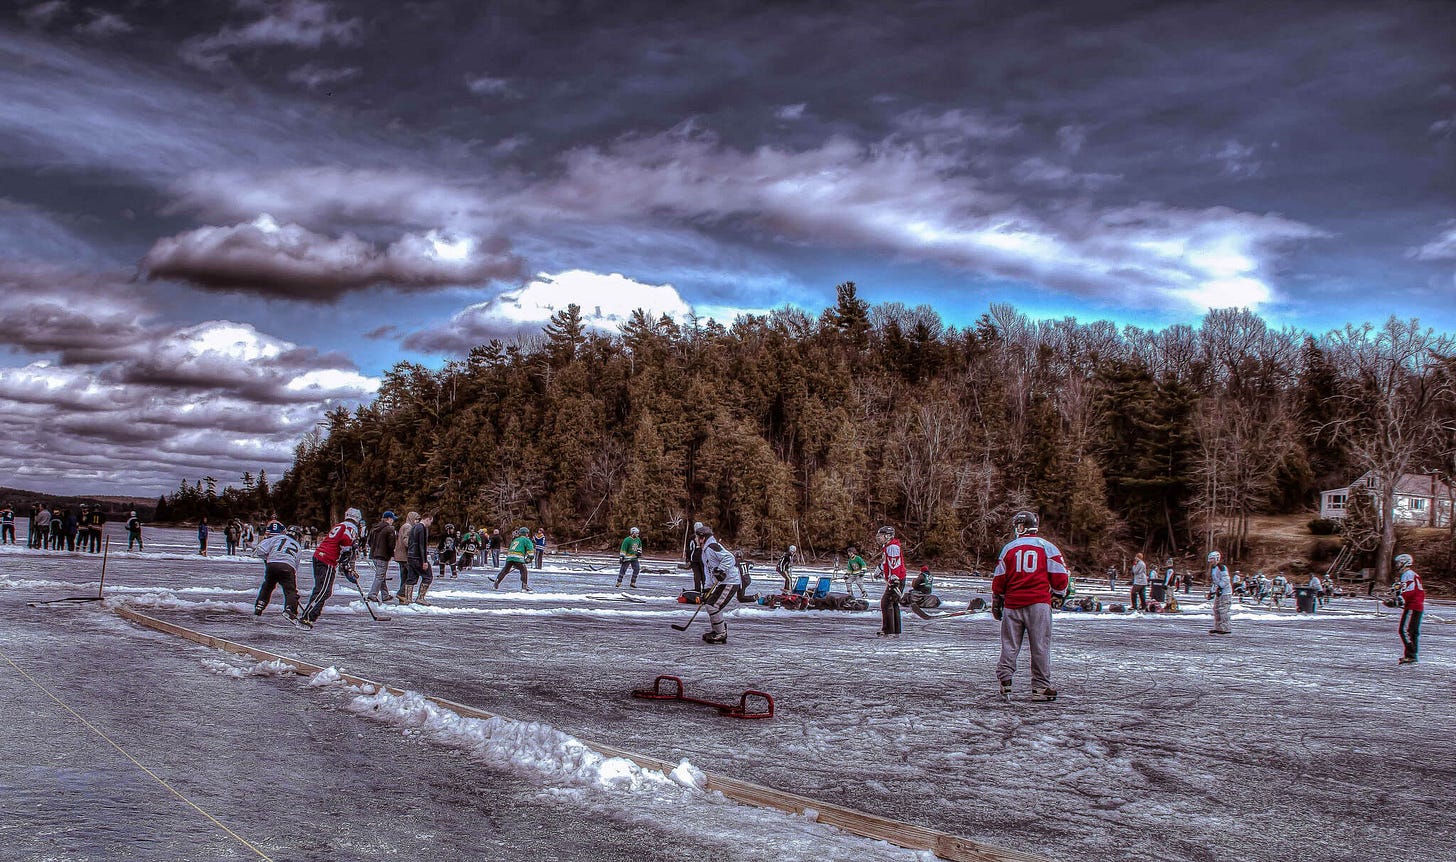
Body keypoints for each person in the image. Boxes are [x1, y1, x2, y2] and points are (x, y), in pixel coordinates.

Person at [991, 511, 1069, 701]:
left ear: (1021, 527)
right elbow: (1060, 577)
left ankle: (1005, 681)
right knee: (1040, 645)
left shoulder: (1009, 548)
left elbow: (999, 579)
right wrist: (1059, 594)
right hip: (1038, 604)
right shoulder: (1048, 547)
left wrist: (998, 599)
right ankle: (1041, 688)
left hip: (1013, 604)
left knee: (1010, 644)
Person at [300, 508, 363, 626]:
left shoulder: (340, 525)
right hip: (327, 559)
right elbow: (346, 543)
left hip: (320, 556)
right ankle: (308, 615)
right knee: (323, 590)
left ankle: (311, 615)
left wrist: (346, 565)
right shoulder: (351, 528)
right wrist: (349, 555)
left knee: (324, 590)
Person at [697, 523, 740, 644]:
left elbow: (730, 558)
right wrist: (707, 589)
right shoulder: (705, 551)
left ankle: (720, 633)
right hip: (723, 582)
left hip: (730, 581)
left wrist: (720, 569)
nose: (695, 539)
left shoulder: (712, 547)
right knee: (711, 604)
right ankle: (717, 630)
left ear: (702, 538)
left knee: (713, 606)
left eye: (697, 537)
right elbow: (709, 572)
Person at [252, 521, 302, 619]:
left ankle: (260, 604)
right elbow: (296, 564)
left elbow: (261, 549)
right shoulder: (298, 546)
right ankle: (290, 609)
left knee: (268, 586)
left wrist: (267, 558)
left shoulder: (277, 538)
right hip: (288, 566)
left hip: (272, 564)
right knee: (290, 590)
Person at [876, 526, 906, 637]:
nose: (879, 537)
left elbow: (895, 564)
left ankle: (888, 630)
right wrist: (880, 569)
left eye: (881, 535)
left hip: (896, 579)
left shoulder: (892, 547)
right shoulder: (888, 546)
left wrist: (894, 578)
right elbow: (886, 562)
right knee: (893, 603)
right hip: (896, 578)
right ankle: (895, 631)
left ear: (888, 536)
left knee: (886, 603)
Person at [1395, 553, 1424, 664]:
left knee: (1405, 630)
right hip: (1416, 606)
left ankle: (1411, 654)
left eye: (1398, 563)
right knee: (1412, 631)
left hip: (1412, 606)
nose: (1397, 565)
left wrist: (1399, 599)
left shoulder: (1408, 574)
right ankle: (1412, 655)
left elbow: (1409, 590)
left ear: (1404, 563)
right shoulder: (1411, 574)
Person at [366, 511, 397, 602]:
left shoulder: (374, 528)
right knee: (380, 576)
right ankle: (372, 594)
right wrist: (392, 554)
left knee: (381, 575)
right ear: (389, 519)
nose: (393, 521)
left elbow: (369, 542)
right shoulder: (390, 529)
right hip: (383, 556)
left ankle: (385, 595)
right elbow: (391, 544)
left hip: (374, 555)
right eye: (392, 519)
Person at [405, 513, 435, 604]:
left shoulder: (413, 527)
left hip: (410, 556)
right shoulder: (422, 528)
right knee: (428, 576)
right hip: (418, 557)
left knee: (411, 577)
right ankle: (420, 598)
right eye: (431, 521)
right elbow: (422, 545)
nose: (430, 524)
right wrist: (424, 561)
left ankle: (408, 599)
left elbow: (410, 542)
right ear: (427, 519)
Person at [495, 527, 534, 591]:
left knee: (505, 570)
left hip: (510, 557)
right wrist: (529, 558)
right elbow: (530, 552)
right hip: (518, 557)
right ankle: (524, 586)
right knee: (523, 571)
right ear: (526, 533)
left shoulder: (515, 539)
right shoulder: (526, 540)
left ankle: (497, 581)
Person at [393, 512, 418, 604]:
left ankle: (403, 597)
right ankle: (401, 593)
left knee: (404, 577)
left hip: (400, 556)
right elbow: (406, 540)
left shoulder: (404, 526)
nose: (417, 522)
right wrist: (413, 547)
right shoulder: (408, 527)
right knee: (411, 576)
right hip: (405, 556)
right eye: (416, 519)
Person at [1207, 550, 1232, 635]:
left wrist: (1221, 587)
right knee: (1216, 609)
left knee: (1223, 610)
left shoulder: (1221, 567)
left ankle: (1226, 628)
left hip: (1225, 592)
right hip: (1219, 592)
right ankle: (1219, 627)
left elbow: (1226, 579)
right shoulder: (1214, 569)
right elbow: (1215, 582)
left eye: (1212, 559)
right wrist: (1212, 592)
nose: (1211, 561)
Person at [685, 522, 706, 593]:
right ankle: (703, 589)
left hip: (695, 558)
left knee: (698, 574)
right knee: (702, 574)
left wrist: (687, 559)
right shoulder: (704, 537)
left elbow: (688, 549)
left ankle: (698, 589)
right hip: (700, 558)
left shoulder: (692, 537)